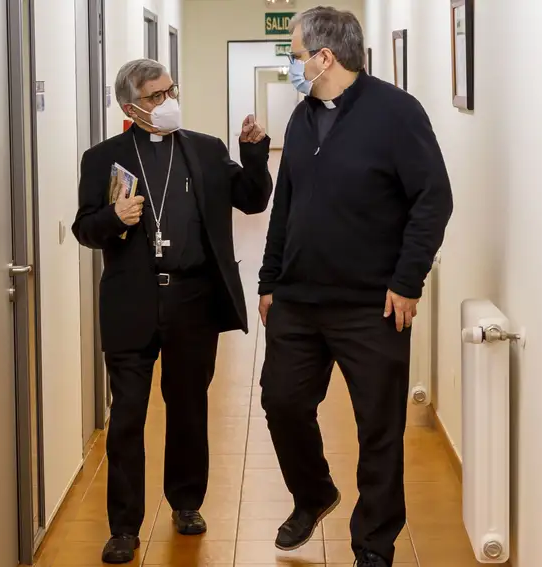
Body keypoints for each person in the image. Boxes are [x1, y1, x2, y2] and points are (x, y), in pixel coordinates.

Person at [257, 7, 453, 567]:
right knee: (282, 403)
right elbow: (285, 204)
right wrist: (271, 279)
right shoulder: (301, 116)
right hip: (298, 300)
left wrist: (407, 280)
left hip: (373, 305)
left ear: (325, 56)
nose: (292, 66)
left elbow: (432, 199)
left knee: (379, 430)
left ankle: (373, 545)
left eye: (296, 56)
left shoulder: (396, 112)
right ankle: (314, 494)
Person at [71, 59, 273, 564]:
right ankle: (123, 525)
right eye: (157, 97)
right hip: (131, 301)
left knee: (188, 407)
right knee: (128, 418)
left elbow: (252, 200)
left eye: (171, 91)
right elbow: (84, 228)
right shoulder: (104, 158)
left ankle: (186, 502)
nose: (169, 103)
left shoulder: (204, 150)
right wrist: (113, 218)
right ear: (130, 107)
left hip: (192, 300)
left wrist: (254, 154)